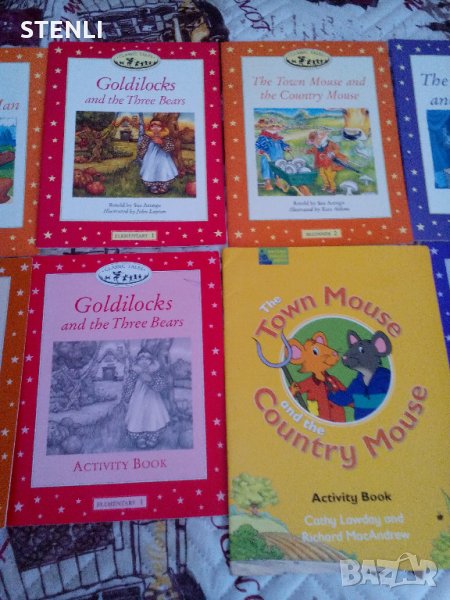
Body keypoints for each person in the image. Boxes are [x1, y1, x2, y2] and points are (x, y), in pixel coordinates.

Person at [125, 349, 170, 449]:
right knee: (137, 416)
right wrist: (127, 397)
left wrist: (151, 381)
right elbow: (129, 385)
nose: (144, 361)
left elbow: (161, 385)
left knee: (153, 416)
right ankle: (140, 437)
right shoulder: (134, 372)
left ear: (151, 360)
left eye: (147, 358)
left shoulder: (155, 371)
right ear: (137, 360)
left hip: (152, 399)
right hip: (138, 399)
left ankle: (153, 437)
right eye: (141, 358)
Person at [137, 119, 178, 194]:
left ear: (162, 128)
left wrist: (162, 143)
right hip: (150, 157)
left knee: (163, 169)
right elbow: (143, 145)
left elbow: (171, 147)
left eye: (158, 126)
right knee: (151, 169)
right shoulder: (147, 136)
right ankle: (153, 185)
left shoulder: (165, 136)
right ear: (149, 127)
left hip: (163, 157)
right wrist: (141, 153)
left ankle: (163, 185)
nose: (155, 128)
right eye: (152, 126)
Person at [306, 128, 347, 194]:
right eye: (316, 140)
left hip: (330, 164)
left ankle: (333, 188)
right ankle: (326, 185)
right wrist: (306, 151)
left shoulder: (330, 143)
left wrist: (332, 152)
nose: (318, 140)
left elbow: (337, 149)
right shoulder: (317, 146)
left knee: (329, 176)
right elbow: (312, 150)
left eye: (319, 138)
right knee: (322, 174)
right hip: (321, 163)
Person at [255, 117, 291, 191]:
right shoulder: (263, 136)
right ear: (267, 127)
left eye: (277, 126)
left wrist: (285, 147)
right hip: (268, 156)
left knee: (279, 167)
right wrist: (260, 150)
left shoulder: (277, 137)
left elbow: (282, 144)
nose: (275, 128)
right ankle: (267, 183)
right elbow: (258, 145)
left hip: (278, 156)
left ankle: (278, 181)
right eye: (272, 126)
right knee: (267, 168)